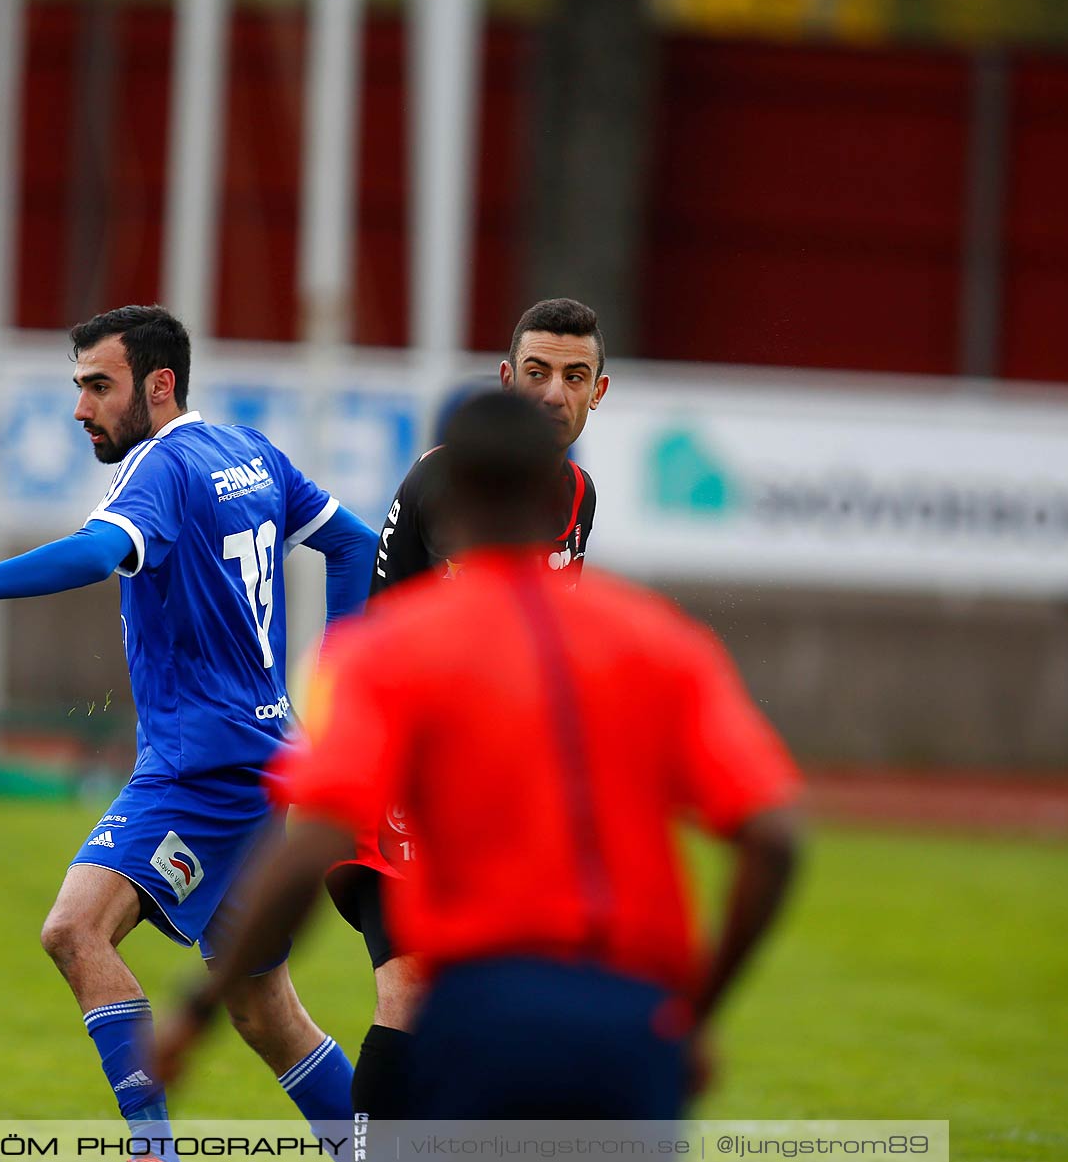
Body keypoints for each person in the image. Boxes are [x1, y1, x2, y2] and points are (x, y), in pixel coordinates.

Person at [154, 390, 802, 1120]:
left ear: (448, 489)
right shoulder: (662, 642)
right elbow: (775, 840)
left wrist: (199, 1009)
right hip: (633, 1026)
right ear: (556, 491)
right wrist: (696, 1015)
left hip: (482, 1015)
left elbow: (311, 850)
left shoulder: (393, 650)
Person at [0, 305, 378, 1162]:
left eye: (99, 385)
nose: (80, 407)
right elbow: (353, 544)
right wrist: (343, 695)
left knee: (74, 929)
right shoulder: (246, 451)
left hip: (200, 772)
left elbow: (98, 555)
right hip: (266, 765)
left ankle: (152, 1154)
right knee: (263, 1012)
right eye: (79, 386)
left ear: (158, 386)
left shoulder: (160, 468)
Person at [343, 297, 610, 1117]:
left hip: (492, 800)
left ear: (600, 392)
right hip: (398, 782)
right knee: (411, 995)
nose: (552, 393)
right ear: (506, 378)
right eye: (536, 373)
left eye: (573, 376)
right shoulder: (439, 480)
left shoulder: (579, 498)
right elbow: (376, 636)